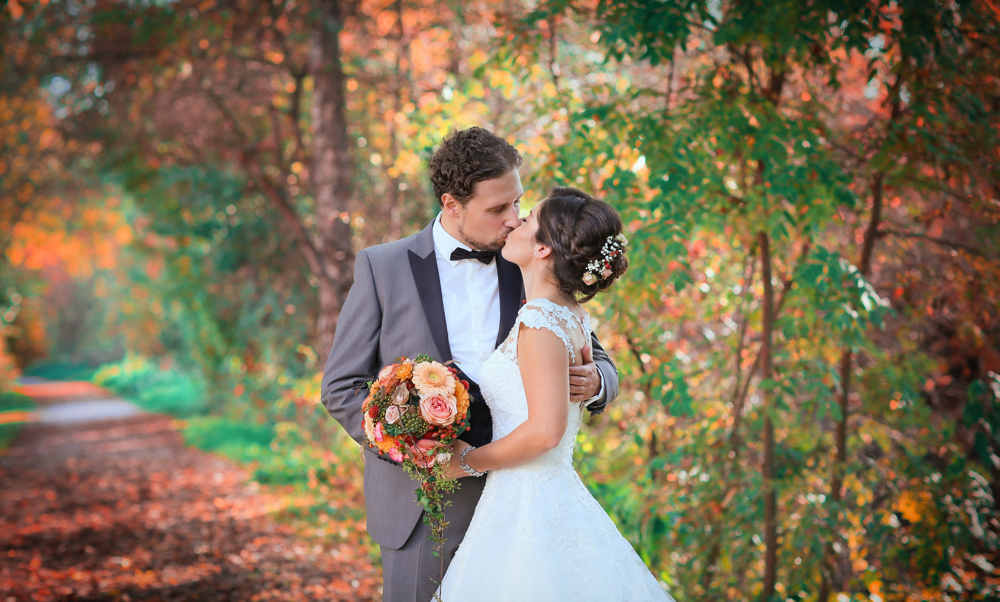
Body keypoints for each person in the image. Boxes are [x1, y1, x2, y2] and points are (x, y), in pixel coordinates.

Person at [321, 127, 620, 602]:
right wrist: (410, 448)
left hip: (519, 498)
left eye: (518, 203)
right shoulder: (383, 267)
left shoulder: (532, 260)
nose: (514, 219)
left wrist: (597, 380)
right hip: (421, 504)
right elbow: (341, 386)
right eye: (498, 209)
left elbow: (593, 350)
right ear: (451, 204)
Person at [437, 188, 673, 601]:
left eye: (526, 219)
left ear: (543, 248)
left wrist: (466, 461)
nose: (514, 222)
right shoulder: (568, 313)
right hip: (529, 497)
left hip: (530, 503)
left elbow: (546, 432)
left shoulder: (542, 320)